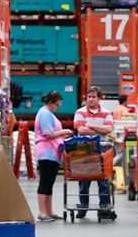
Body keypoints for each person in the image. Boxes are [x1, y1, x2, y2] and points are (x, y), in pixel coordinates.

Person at [72, 87, 116, 220]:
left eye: (93, 97)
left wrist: (90, 126)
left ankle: (104, 208)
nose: (90, 99)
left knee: (103, 180)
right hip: (84, 148)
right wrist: (99, 130)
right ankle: (83, 207)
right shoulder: (80, 112)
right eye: (89, 97)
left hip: (102, 149)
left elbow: (108, 129)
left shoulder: (107, 112)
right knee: (84, 180)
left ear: (99, 98)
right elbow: (81, 130)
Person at [33, 91, 72, 223]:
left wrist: (60, 135)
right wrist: (64, 131)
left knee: (49, 183)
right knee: (45, 182)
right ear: (51, 102)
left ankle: (49, 212)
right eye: (57, 104)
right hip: (46, 153)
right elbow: (48, 134)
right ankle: (42, 212)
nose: (58, 107)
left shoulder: (49, 114)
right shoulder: (44, 113)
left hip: (52, 153)